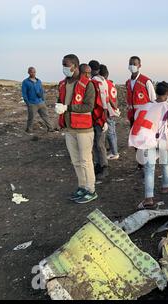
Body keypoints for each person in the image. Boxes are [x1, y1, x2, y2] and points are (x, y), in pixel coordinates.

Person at [55, 54, 98, 204]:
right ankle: (82, 186)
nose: (64, 68)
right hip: (69, 129)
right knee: (75, 161)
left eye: (66, 65)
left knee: (86, 160)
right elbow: (60, 100)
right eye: (63, 65)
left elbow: (89, 106)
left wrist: (67, 107)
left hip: (84, 129)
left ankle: (91, 189)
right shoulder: (62, 84)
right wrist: (58, 106)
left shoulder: (88, 84)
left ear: (75, 65)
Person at [129, 81, 168, 209]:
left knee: (149, 168)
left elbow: (138, 121)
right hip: (162, 139)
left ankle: (148, 198)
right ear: (167, 93)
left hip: (147, 139)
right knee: (165, 163)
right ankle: (165, 187)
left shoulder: (144, 106)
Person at [126, 56, 156, 169]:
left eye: (134, 63)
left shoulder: (146, 81)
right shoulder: (128, 82)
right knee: (135, 140)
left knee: (144, 140)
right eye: (130, 63)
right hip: (132, 117)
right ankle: (140, 162)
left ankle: (147, 162)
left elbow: (153, 100)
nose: (132, 66)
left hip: (144, 117)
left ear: (139, 65)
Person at [89, 60, 109, 180]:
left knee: (99, 143)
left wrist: (104, 117)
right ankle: (99, 165)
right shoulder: (102, 81)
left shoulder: (95, 82)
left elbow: (103, 101)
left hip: (99, 115)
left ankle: (104, 166)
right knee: (97, 143)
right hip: (100, 115)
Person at [21, 67, 54, 133]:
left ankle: (50, 128)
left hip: (41, 102)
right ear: (28, 72)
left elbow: (42, 91)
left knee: (45, 116)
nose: (33, 73)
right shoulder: (25, 82)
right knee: (31, 118)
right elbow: (24, 93)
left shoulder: (39, 81)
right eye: (31, 72)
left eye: (34, 72)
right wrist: (28, 103)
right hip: (32, 103)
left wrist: (43, 100)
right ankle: (29, 130)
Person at [99, 64, 120, 160]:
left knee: (110, 133)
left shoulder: (103, 83)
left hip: (107, 110)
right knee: (113, 132)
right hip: (112, 111)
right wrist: (115, 107)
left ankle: (114, 153)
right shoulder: (111, 84)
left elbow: (107, 98)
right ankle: (114, 150)